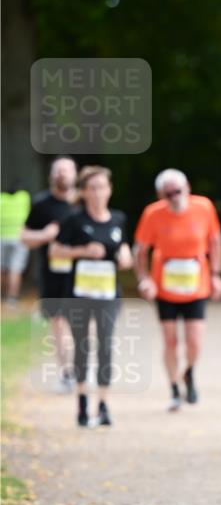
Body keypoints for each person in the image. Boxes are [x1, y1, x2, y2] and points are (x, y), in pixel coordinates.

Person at [134, 170, 221, 411]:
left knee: (194, 341)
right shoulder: (152, 214)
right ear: (160, 195)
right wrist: (144, 279)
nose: (174, 197)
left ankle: (189, 372)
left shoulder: (203, 207)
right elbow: (140, 250)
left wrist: (216, 275)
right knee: (170, 341)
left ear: (187, 188)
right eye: (168, 193)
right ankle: (174, 388)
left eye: (178, 191)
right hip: (165, 286)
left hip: (196, 284)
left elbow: (215, 241)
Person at [49, 166, 133, 427]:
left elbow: (125, 251)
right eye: (92, 188)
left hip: (108, 294)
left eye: (102, 187)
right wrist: (83, 251)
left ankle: (104, 404)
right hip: (79, 294)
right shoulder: (74, 220)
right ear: (84, 192)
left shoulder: (118, 219)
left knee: (106, 346)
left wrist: (125, 259)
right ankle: (82, 402)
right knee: (83, 347)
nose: (98, 193)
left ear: (110, 190)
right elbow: (55, 250)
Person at [21, 157, 78, 388]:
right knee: (58, 323)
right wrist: (45, 235)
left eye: (66, 171)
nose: (61, 175)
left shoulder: (84, 201)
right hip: (52, 273)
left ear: (75, 175)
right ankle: (66, 372)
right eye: (57, 171)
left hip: (82, 273)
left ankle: (81, 365)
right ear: (51, 176)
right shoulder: (41, 203)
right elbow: (24, 237)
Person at [1, 183, 31, 304]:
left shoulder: (1, 199)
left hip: (2, 236)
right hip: (19, 237)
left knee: (1, 268)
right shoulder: (23, 198)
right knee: (16, 269)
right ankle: (12, 297)